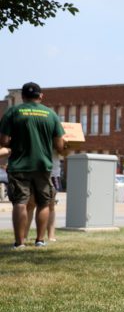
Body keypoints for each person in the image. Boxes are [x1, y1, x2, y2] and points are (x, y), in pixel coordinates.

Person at [0, 82, 66, 249]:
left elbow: (4, 141)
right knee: (44, 203)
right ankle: (40, 240)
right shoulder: (51, 115)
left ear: (22, 96)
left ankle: (19, 242)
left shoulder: (13, 112)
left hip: (19, 165)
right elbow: (59, 145)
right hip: (43, 165)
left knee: (20, 203)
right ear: (41, 96)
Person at [26, 154, 63, 243]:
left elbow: (64, 152)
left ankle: (51, 235)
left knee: (50, 205)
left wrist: (64, 146)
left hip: (52, 172)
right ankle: (23, 236)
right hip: (33, 170)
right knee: (31, 204)